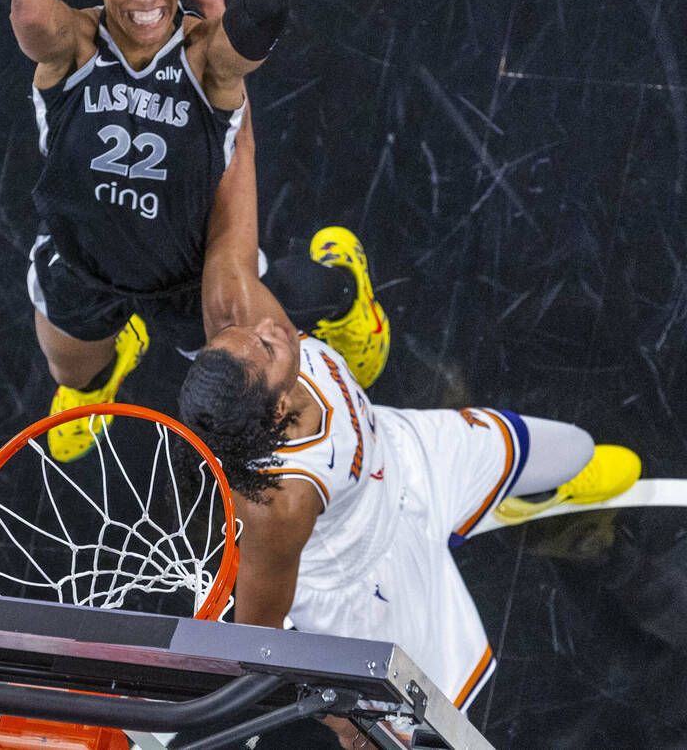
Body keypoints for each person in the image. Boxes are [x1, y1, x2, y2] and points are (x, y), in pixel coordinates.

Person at [178, 118, 642, 740]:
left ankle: (535, 499)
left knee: (577, 450)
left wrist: (232, 90)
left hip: (407, 451)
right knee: (392, 734)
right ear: (277, 412)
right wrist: (342, 713)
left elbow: (233, 198)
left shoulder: (240, 324)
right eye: (267, 349)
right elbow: (260, 636)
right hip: (366, 579)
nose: (273, 328)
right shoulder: (279, 505)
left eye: (251, 335)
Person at [13, 0, 312, 462]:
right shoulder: (73, 48)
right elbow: (27, 10)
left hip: (192, 272)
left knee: (277, 357)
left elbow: (267, 8)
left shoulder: (204, 53)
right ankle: (98, 379)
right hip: (82, 264)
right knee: (72, 372)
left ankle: (345, 288)